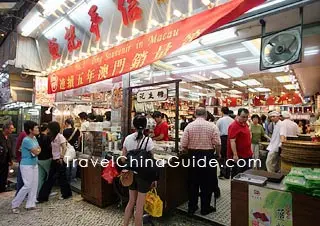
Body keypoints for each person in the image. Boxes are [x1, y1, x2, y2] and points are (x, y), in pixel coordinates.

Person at [181, 107, 221, 216]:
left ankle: (192, 207)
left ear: (195, 114)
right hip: (208, 157)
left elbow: (183, 145)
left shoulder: (189, 126)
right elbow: (217, 144)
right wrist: (218, 154)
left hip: (193, 156)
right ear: (206, 115)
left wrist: (186, 151)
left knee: (192, 183)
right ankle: (205, 208)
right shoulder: (212, 126)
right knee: (207, 184)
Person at [123, 115, 155, 226]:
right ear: (145, 126)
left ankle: (125, 224)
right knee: (140, 204)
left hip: (131, 174)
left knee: (131, 201)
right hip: (143, 175)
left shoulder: (127, 139)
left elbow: (124, 158)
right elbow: (151, 160)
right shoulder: (148, 141)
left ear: (134, 126)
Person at [38, 122, 72, 202]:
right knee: (55, 178)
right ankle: (43, 196)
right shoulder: (52, 137)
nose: (48, 129)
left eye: (49, 127)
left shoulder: (60, 136)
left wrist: (61, 157)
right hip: (54, 159)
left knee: (59, 178)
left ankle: (65, 194)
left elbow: (64, 148)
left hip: (59, 160)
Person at [12, 121, 41, 214]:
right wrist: (37, 150)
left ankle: (31, 204)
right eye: (36, 128)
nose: (37, 129)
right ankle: (15, 204)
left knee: (34, 184)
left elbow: (39, 149)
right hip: (26, 164)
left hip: (34, 163)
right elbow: (36, 151)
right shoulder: (26, 140)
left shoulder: (34, 138)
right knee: (27, 185)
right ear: (30, 130)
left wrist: (37, 150)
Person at [227, 108, 253, 178]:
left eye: (247, 117)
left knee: (246, 175)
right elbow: (232, 141)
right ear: (238, 115)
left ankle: (244, 189)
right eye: (243, 117)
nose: (245, 119)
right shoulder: (234, 126)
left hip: (247, 154)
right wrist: (235, 155)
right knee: (237, 175)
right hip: (239, 156)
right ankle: (236, 189)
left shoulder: (245, 124)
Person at [216, 107, 234, 179]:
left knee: (221, 157)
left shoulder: (220, 120)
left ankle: (223, 172)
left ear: (222, 112)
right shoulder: (232, 120)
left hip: (222, 139)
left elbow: (216, 131)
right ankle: (228, 173)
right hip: (231, 139)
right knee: (228, 156)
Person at [36, 123, 52, 194]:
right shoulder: (47, 137)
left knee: (40, 177)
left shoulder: (37, 137)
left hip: (39, 159)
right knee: (49, 177)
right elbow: (50, 148)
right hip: (47, 159)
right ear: (47, 129)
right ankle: (46, 192)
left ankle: (39, 192)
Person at [0, 122, 14, 193]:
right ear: (6, 129)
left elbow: (9, 149)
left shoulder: (9, 137)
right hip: (0, 159)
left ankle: (2, 187)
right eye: (11, 128)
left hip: (6, 159)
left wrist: (10, 160)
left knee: (4, 174)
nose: (12, 130)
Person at [15, 130, 27, 194]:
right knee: (22, 178)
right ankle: (19, 194)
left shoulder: (24, 134)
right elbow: (19, 148)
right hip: (24, 159)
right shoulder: (25, 136)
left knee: (22, 177)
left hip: (23, 159)